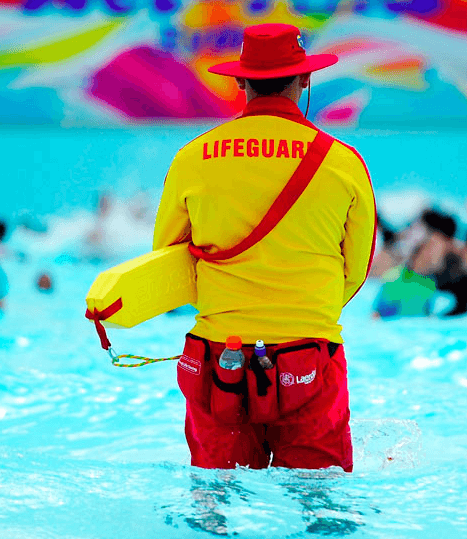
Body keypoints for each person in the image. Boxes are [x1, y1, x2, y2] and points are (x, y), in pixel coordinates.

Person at [153, 24, 376, 471]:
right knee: (321, 507)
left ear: (239, 81)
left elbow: (168, 258)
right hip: (311, 357)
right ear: (305, 80)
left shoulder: (192, 157)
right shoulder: (342, 162)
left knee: (216, 505)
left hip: (219, 362)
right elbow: (356, 270)